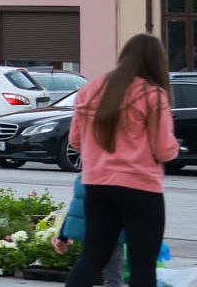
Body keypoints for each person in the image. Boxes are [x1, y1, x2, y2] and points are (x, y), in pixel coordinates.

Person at [62, 33, 176, 287]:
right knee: (142, 266)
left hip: (98, 186)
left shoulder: (91, 89)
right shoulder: (152, 95)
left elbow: (76, 140)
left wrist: (99, 154)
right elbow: (163, 150)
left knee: (92, 258)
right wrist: (174, 146)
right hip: (141, 188)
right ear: (156, 62)